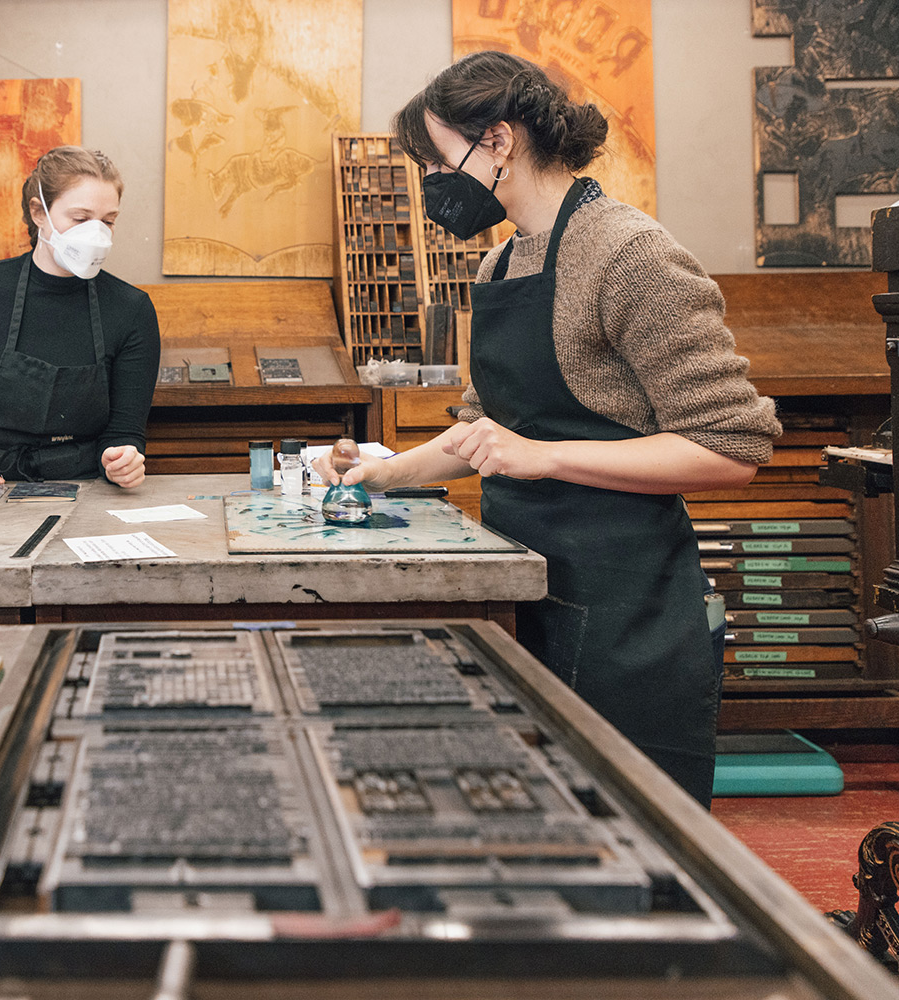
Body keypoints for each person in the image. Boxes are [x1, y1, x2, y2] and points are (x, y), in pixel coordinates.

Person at [315, 52, 781, 806]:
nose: (434, 182)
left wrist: (543, 457)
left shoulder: (630, 254)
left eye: (440, 159)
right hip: (523, 588)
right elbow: (485, 427)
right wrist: (385, 471)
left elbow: (730, 448)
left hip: (622, 607)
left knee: (625, 831)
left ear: (498, 141)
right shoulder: (499, 264)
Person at [0, 146, 160, 488]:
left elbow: (124, 432)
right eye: (81, 218)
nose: (97, 235)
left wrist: (121, 460)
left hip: (84, 487)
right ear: (39, 213)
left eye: (108, 221)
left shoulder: (131, 309)